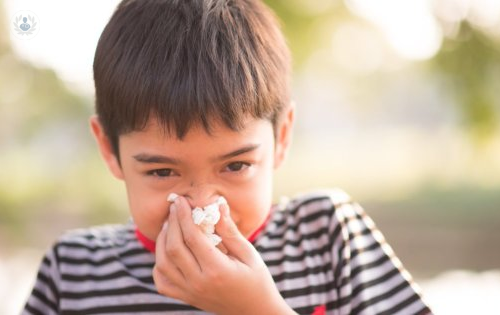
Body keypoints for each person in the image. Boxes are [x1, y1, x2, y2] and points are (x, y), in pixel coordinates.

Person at [22, 0, 433, 314]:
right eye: (163, 171)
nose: (204, 205)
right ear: (110, 150)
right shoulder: (74, 272)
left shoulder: (327, 238)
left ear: (282, 136)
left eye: (236, 165)